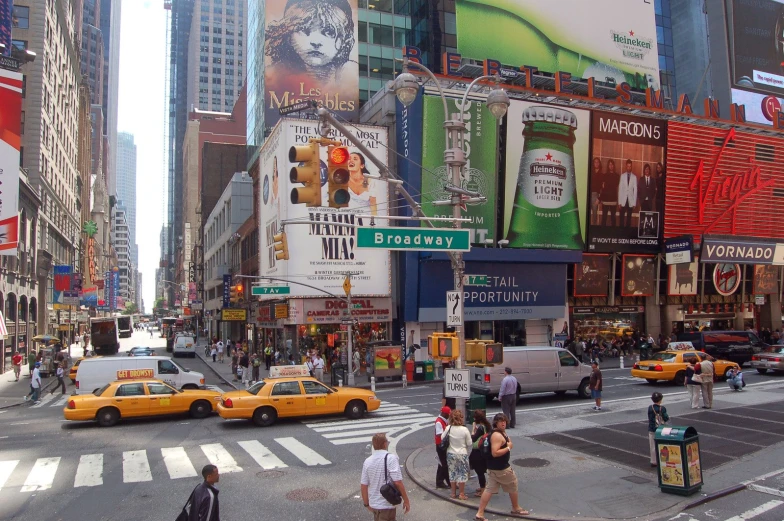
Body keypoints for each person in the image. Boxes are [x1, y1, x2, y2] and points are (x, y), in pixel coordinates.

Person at [474, 413, 529, 521]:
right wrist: (508, 448)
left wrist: (508, 443)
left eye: (504, 420)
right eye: (500, 421)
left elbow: (507, 442)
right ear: (496, 423)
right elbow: (495, 452)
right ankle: (515, 508)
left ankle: (480, 513)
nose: (503, 422)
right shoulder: (497, 435)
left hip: (493, 467)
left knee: (488, 490)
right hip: (501, 468)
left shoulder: (499, 433)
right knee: (513, 484)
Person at [360, 433, 411, 520]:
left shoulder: (367, 461)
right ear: (384, 444)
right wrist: (406, 500)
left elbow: (364, 485)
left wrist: (366, 504)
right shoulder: (391, 458)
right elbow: (397, 482)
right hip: (387, 504)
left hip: (374, 505)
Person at [444, 409, 473, 500]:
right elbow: (469, 443)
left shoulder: (448, 428)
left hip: (450, 453)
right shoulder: (464, 429)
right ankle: (461, 493)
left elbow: (442, 438)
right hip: (462, 453)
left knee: (452, 472)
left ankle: (453, 493)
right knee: (462, 473)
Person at [469, 410, 491, 497]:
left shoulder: (481, 428)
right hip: (484, 451)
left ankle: (483, 491)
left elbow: (473, 438)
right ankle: (484, 486)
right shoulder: (487, 426)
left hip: (478, 452)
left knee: (479, 471)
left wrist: (473, 429)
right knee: (481, 470)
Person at [647, 392, 669, 467]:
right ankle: (663, 458)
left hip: (652, 428)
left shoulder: (650, 407)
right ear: (661, 399)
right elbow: (666, 418)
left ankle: (653, 461)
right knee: (663, 444)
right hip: (661, 429)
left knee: (652, 446)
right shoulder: (662, 408)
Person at [434, 406, 451, 489]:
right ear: (444, 414)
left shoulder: (442, 421)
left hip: (441, 445)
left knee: (441, 464)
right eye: (448, 414)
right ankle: (449, 482)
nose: (449, 416)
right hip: (441, 446)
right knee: (444, 464)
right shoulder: (439, 422)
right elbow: (439, 434)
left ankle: (439, 481)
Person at [617, 158, 638, 227]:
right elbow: (620, 189)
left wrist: (634, 203)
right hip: (623, 200)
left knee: (629, 218)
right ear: (626, 166)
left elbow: (635, 191)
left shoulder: (634, 177)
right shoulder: (622, 176)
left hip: (630, 201)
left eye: (630, 166)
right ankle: (621, 232)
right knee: (621, 218)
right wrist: (619, 202)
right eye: (628, 166)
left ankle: (627, 233)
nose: (629, 168)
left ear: (631, 166)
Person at [600, 158, 618, 226]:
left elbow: (614, 185)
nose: (611, 166)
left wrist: (608, 185)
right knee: (604, 218)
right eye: (610, 164)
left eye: (612, 164)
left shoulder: (617, 176)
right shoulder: (604, 175)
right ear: (608, 166)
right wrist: (601, 198)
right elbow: (603, 188)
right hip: (605, 199)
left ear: (614, 166)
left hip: (613, 200)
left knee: (613, 218)